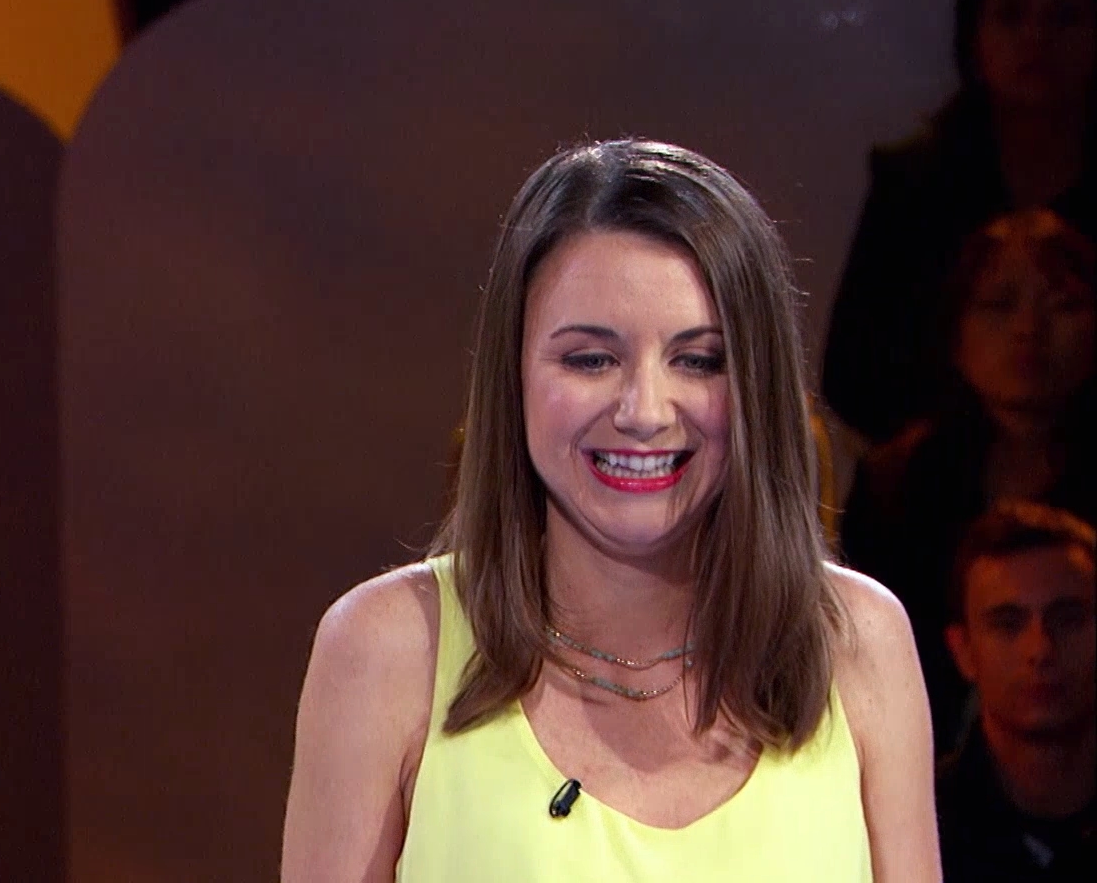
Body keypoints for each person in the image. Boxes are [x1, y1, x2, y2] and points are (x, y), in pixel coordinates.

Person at [282, 140, 939, 881]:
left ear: (758, 386)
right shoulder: (387, 652)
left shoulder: (858, 642)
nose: (644, 412)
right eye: (591, 359)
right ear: (512, 375)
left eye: (699, 360)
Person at [823, 0, 1095, 447]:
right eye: (1012, 15)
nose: (1037, 38)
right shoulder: (915, 183)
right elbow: (853, 375)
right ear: (973, 38)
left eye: (1064, 17)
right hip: (943, 471)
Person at [840, 207, 1097, 750]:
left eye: (1062, 305)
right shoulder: (898, 482)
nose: (1029, 330)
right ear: (955, 332)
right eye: (999, 305)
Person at [938, 500, 1095, 880]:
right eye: (1008, 624)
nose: (1040, 649)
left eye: (1067, 619)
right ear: (964, 651)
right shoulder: (917, 822)